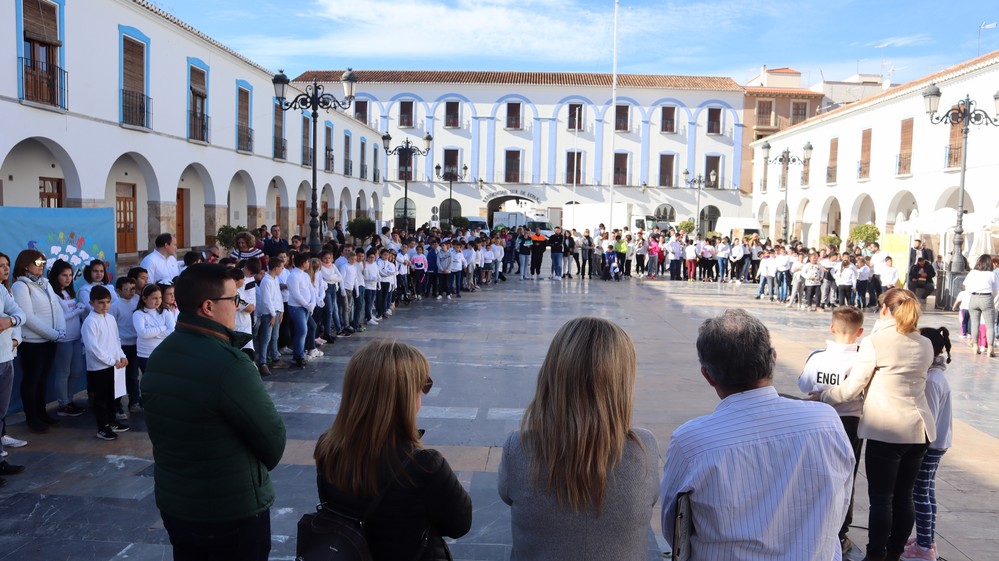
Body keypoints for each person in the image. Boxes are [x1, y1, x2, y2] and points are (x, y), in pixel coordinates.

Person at [661, 308, 854, 561]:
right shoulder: (826, 422)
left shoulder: (691, 441)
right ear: (773, 358)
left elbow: (674, 530)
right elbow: (840, 505)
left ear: (708, 376)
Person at [142, 264, 287, 561]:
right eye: (233, 300)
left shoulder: (160, 355)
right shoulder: (230, 364)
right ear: (208, 306)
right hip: (230, 509)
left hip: (177, 502)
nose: (238, 307)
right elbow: (273, 442)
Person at [499, 317, 658, 560]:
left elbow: (506, 493)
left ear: (552, 374)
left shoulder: (519, 449)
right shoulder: (643, 449)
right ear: (622, 383)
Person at [314, 340, 471, 561]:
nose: (422, 396)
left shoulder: (328, 447)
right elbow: (459, 524)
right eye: (422, 386)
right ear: (404, 397)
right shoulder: (424, 465)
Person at [814, 288, 935, 561]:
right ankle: (894, 553)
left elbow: (852, 387)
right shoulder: (924, 342)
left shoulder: (876, 341)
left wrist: (823, 395)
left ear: (884, 309)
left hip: (887, 428)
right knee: (904, 496)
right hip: (919, 429)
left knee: (882, 499)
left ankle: (875, 555)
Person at [797, 306, 866, 552]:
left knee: (814, 472)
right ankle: (839, 533)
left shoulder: (818, 357)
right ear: (860, 331)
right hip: (849, 422)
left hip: (817, 419)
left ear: (832, 327)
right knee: (846, 477)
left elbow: (804, 384)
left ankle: (812, 526)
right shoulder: (861, 359)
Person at [902, 327, 953, 561]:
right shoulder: (936, 375)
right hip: (938, 443)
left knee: (919, 493)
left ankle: (924, 548)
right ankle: (927, 541)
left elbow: (928, 416)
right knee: (927, 492)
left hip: (930, 444)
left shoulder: (932, 380)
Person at [11, 249, 66, 433]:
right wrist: (53, 334)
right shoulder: (21, 286)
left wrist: (61, 330)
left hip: (49, 341)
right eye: (38, 263)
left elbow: (57, 308)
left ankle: (42, 413)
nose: (42, 266)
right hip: (32, 343)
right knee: (32, 380)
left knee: (43, 379)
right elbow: (27, 316)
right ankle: (32, 417)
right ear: (26, 265)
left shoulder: (46, 283)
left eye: (43, 263)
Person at [81, 285, 129, 440]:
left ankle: (112, 421)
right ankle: (103, 427)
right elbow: (92, 348)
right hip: (99, 367)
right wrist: (111, 360)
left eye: (108, 302)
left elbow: (116, 340)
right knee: (101, 399)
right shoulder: (90, 322)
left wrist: (121, 355)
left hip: (114, 365)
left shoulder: (110, 318)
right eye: (101, 302)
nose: (105, 306)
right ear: (91, 302)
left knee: (113, 396)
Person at [0, 251, 27, 484]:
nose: (5, 269)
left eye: (7, 265)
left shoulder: (2, 290)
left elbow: (20, 313)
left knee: (1, 413)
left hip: (5, 358)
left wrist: (10, 322)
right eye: (0, 266)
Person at [48, 260, 87, 417]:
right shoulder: (53, 294)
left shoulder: (69, 292)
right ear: (56, 276)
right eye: (64, 275)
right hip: (63, 339)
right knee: (63, 372)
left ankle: (69, 400)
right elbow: (58, 318)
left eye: (70, 275)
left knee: (77, 370)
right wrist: (76, 312)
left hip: (76, 337)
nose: (68, 278)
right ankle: (63, 404)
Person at [961, 254, 996, 356]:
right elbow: (996, 290)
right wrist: (991, 296)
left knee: (975, 324)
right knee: (990, 326)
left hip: (974, 298)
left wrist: (973, 290)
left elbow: (966, 285)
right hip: (987, 298)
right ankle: (990, 349)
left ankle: (975, 346)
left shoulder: (972, 273)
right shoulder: (991, 274)